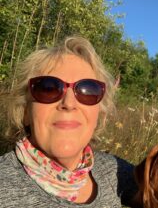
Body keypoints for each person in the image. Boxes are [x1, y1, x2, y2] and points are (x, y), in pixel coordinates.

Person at [0, 36, 139, 207]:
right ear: (26, 111)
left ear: (99, 112)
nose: (69, 103)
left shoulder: (112, 171)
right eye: (48, 88)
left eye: (88, 90)